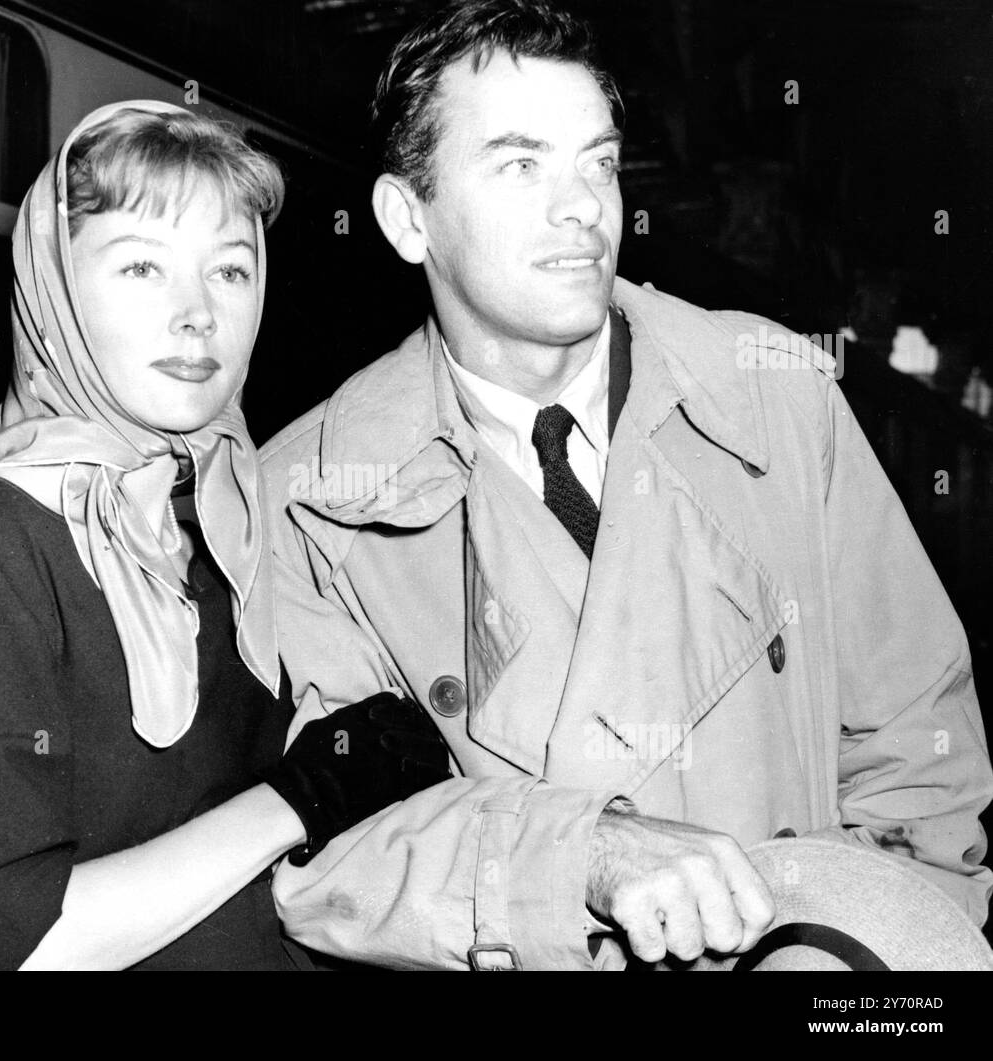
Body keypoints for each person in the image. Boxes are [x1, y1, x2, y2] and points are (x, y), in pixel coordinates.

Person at [259, 0, 993, 970]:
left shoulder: (777, 399)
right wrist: (585, 853)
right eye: (521, 164)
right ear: (406, 218)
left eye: (597, 161)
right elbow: (336, 845)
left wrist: (845, 952)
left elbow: (918, 754)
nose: (583, 208)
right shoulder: (311, 499)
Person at [0, 100, 449, 971]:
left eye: (231, 272)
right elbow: (12, 945)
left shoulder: (235, 513)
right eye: (141, 267)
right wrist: (299, 799)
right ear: (55, 290)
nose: (196, 314)